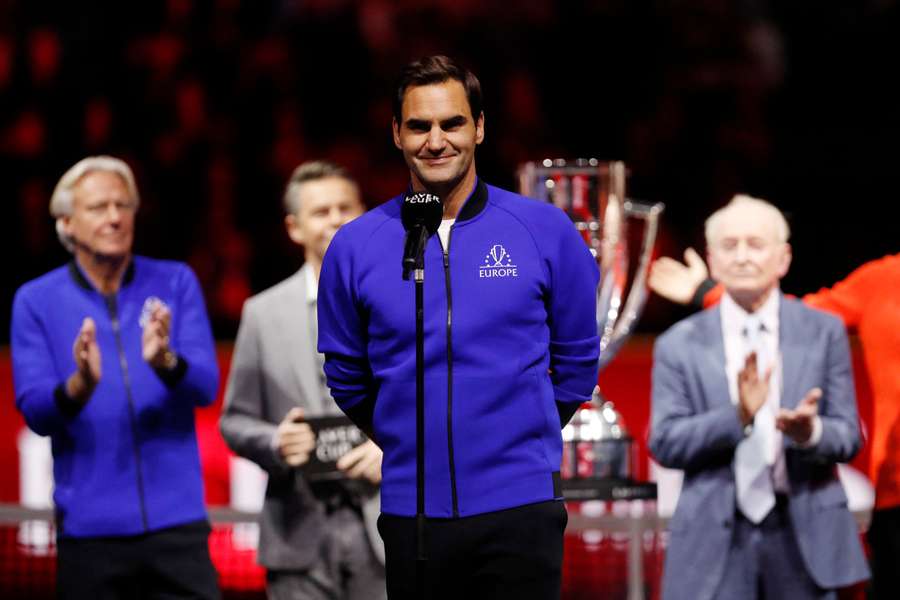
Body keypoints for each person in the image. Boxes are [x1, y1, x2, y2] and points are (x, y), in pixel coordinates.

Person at [316, 55, 600, 600]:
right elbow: (348, 376)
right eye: (419, 126)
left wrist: (520, 431)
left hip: (522, 509)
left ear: (480, 127)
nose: (436, 140)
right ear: (397, 134)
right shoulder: (355, 246)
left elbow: (576, 363)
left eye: (452, 123)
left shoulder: (542, 229)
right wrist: (407, 439)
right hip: (413, 513)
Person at [10, 155, 221, 599]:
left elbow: (205, 387)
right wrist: (80, 385)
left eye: (123, 205)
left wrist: (165, 360)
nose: (114, 217)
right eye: (99, 207)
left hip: (177, 527)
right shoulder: (35, 300)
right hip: (90, 536)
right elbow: (36, 412)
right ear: (67, 224)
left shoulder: (176, 281)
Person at [648, 194, 870, 600]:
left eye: (756, 244)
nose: (743, 256)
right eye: (730, 246)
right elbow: (665, 443)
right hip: (714, 540)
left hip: (805, 538)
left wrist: (810, 431)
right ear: (712, 262)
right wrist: (739, 415)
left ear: (783, 258)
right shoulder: (677, 344)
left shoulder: (824, 332)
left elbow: (849, 437)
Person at [219, 160, 386, 600]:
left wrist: (394, 445)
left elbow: (436, 403)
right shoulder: (262, 313)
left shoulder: (404, 303)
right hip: (297, 532)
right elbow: (234, 420)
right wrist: (277, 441)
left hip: (387, 528)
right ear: (294, 228)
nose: (334, 219)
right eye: (320, 211)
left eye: (344, 208)